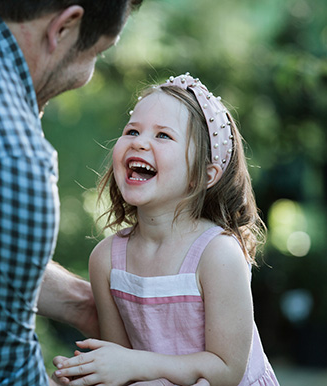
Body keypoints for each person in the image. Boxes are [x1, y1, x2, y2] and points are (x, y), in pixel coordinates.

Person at [0, 0, 143, 385]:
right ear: (64, 26)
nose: (88, 73)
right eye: (97, 53)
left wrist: (82, 302)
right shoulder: (4, 153)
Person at [52, 73, 280, 386]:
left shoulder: (217, 255)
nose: (139, 142)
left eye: (163, 136)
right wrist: (89, 375)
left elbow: (226, 371)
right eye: (132, 130)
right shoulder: (107, 259)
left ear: (204, 175)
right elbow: (120, 365)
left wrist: (134, 363)